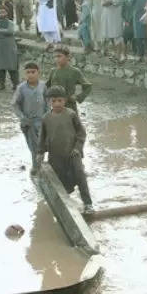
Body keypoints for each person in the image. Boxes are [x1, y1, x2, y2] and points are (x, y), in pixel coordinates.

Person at [38, 86, 94, 214]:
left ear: (65, 100)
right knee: (60, 180)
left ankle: (88, 204)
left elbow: (81, 133)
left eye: (60, 100)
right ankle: (65, 205)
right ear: (48, 102)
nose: (57, 104)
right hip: (56, 155)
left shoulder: (71, 114)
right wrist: (40, 152)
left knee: (80, 176)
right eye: (53, 101)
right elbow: (42, 137)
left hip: (73, 154)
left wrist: (78, 148)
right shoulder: (46, 118)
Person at [13, 62, 47, 174]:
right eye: (28, 72)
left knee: (42, 145)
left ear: (38, 73)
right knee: (33, 146)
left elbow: (47, 101)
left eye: (33, 72)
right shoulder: (21, 88)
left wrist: (48, 115)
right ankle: (36, 167)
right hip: (28, 123)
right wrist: (22, 117)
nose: (31, 75)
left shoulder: (43, 86)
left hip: (42, 121)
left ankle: (39, 165)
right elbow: (15, 104)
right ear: (24, 74)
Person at [46, 46, 92, 112]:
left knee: (71, 121)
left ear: (68, 57)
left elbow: (88, 86)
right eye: (54, 57)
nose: (56, 59)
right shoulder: (53, 71)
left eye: (59, 56)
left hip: (70, 106)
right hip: (55, 106)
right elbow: (47, 87)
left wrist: (77, 97)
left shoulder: (75, 71)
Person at [0, 4, 20, 91]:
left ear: (7, 13)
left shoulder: (10, 23)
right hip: (0, 48)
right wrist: (3, 32)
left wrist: (0, 31)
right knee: (0, 67)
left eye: (3, 12)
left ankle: (16, 84)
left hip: (10, 48)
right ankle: (1, 84)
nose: (1, 14)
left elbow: (10, 31)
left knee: (12, 67)